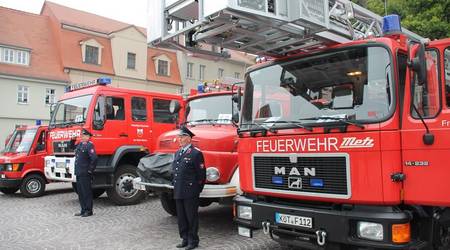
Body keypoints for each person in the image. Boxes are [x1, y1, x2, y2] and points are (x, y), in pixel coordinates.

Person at [172, 126, 206, 250]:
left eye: (181, 137)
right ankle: (185, 238)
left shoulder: (196, 153)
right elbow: (175, 172)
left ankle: (193, 240)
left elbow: (201, 175)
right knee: (181, 217)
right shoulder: (177, 153)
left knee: (191, 217)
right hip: (179, 190)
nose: (179, 139)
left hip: (190, 192)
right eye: (178, 137)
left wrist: (197, 190)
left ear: (188, 138)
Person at [73, 128, 97, 217]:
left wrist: (90, 170)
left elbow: (94, 158)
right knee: (81, 192)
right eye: (81, 136)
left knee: (86, 192)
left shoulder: (89, 146)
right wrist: (72, 141)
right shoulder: (80, 145)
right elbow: (73, 149)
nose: (82, 137)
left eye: (84, 136)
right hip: (79, 172)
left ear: (88, 137)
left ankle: (88, 210)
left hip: (85, 173)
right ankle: (83, 210)